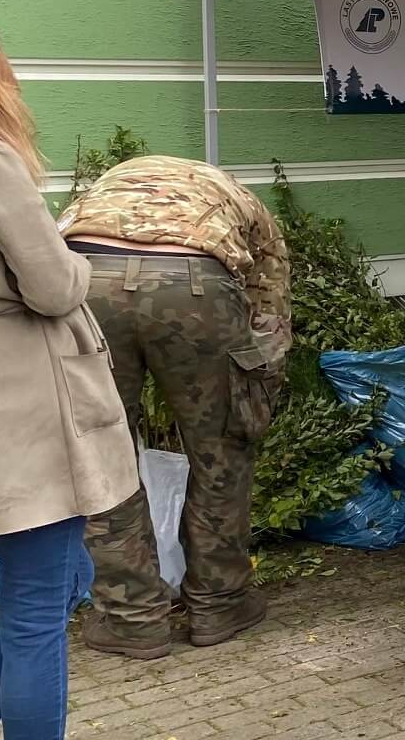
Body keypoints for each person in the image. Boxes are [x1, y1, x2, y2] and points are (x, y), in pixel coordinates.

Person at [0, 0, 138, 736]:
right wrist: (76, 256)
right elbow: (53, 285)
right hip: (25, 412)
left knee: (59, 581)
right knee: (38, 608)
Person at [59, 155, 290, 658]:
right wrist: (257, 385)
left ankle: (132, 617)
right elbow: (269, 301)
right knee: (220, 451)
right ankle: (218, 603)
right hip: (196, 283)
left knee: (101, 452)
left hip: (87, 279)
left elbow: (50, 255)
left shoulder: (99, 194)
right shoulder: (239, 199)